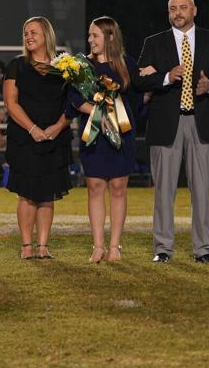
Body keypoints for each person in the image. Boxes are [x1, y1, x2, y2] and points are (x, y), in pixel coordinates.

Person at [137, 0, 209, 264]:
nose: (177, 12)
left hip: (201, 122)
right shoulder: (154, 43)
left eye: (182, 7)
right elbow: (139, 80)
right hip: (166, 123)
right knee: (164, 190)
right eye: (172, 9)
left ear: (194, 10)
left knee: (202, 190)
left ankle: (204, 250)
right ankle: (163, 249)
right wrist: (167, 76)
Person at [67, 17, 142, 263]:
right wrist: (98, 112)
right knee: (95, 187)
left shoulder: (126, 64)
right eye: (89, 35)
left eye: (95, 36)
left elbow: (137, 97)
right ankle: (98, 246)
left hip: (121, 131)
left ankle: (114, 247)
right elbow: (75, 99)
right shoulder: (81, 66)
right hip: (94, 131)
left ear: (110, 37)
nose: (90, 40)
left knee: (119, 187)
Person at [3, 16, 72, 260]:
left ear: (46, 36)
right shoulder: (17, 65)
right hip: (25, 139)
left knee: (47, 193)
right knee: (27, 193)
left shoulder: (65, 67)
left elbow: (72, 105)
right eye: (26, 33)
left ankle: (43, 246)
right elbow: (11, 103)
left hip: (55, 139)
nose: (28, 36)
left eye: (33, 32)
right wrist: (33, 129)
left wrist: (57, 127)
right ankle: (26, 246)